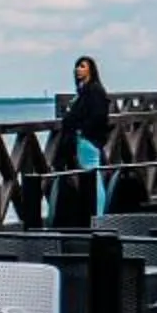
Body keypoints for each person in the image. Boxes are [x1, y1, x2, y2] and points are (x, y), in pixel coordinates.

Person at [62, 56, 112, 219]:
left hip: (88, 140)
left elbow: (99, 115)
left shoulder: (94, 90)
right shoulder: (84, 90)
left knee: (93, 176)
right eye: (77, 66)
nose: (78, 69)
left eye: (82, 66)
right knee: (89, 177)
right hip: (83, 140)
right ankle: (94, 214)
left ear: (91, 70)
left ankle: (99, 216)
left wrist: (82, 131)